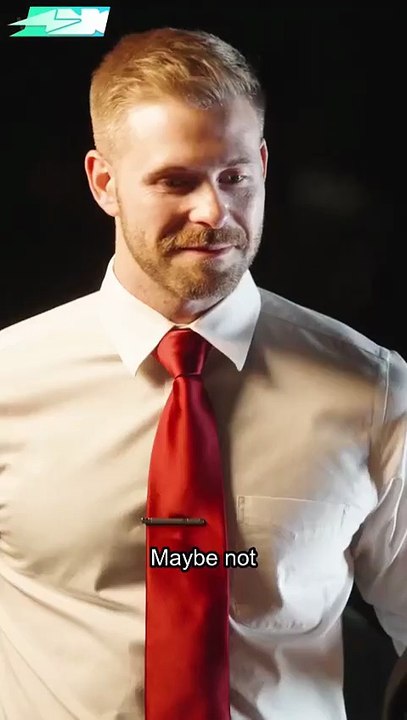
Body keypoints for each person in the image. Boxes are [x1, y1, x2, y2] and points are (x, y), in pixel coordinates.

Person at [0, 26, 405, 720]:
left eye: (234, 176)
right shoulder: (10, 382)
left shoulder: (370, 388)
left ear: (263, 164)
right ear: (104, 183)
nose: (214, 211)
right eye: (175, 181)